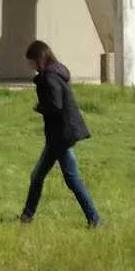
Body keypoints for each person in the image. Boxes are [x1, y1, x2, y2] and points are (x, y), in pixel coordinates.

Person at [18, 40, 100, 228]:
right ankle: (26, 216)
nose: (29, 65)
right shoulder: (54, 73)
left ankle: (95, 220)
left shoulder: (49, 77)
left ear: (39, 59)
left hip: (61, 136)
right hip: (58, 136)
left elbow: (55, 103)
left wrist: (40, 107)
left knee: (72, 180)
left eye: (30, 61)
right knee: (37, 176)